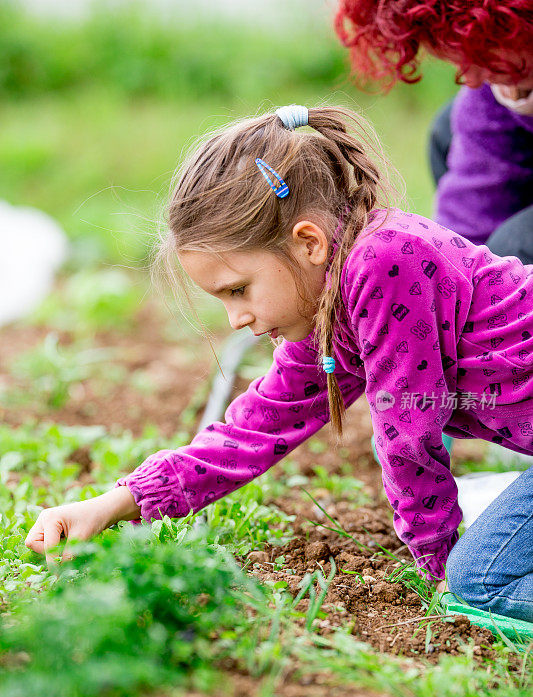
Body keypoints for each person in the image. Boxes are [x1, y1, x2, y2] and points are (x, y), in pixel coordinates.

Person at [25, 105, 533, 622]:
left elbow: (407, 433)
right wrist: (117, 503)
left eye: (238, 290)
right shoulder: (333, 301)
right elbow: (255, 429)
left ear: (308, 243)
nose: (236, 318)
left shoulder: (385, 264)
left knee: (480, 582)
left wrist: (441, 570)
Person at [334, 0, 533, 264]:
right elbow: (470, 214)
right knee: (447, 132)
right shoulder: (493, 92)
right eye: (461, 60)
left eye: (484, 53)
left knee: (515, 244)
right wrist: (445, 274)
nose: (471, 78)